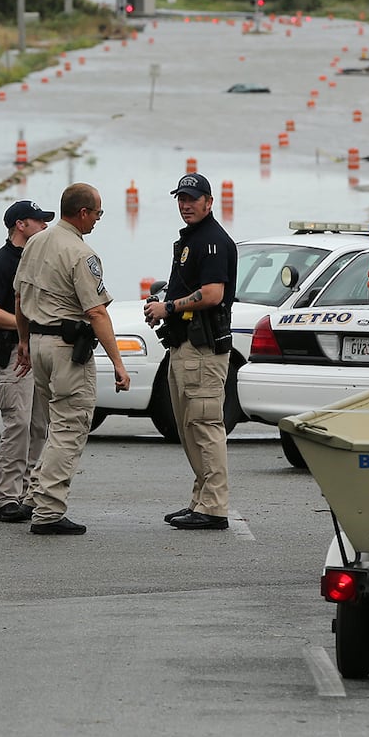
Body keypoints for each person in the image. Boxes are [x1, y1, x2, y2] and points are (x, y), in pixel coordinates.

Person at [13, 182, 130, 535]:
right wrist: (119, 364)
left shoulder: (35, 242)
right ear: (83, 213)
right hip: (67, 350)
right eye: (97, 213)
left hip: (38, 342)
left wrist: (23, 341)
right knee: (71, 427)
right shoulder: (81, 253)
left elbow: (19, 297)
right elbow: (96, 312)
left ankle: (35, 496)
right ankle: (48, 511)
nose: (97, 220)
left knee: (54, 425)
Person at [144, 173, 238, 531]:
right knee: (189, 427)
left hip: (202, 350)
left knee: (204, 425)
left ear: (209, 202)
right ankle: (202, 500)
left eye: (193, 198)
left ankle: (214, 508)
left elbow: (212, 294)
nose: (186, 204)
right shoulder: (193, 239)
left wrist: (168, 308)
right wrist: (164, 303)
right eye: (181, 198)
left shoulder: (212, 241)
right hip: (184, 345)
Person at [0, 199, 54, 523]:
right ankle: (6, 498)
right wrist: (26, 324)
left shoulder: (39, 260)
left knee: (40, 425)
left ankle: (30, 493)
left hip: (38, 352)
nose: (45, 226)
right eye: (39, 221)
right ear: (21, 225)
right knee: (18, 424)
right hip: (12, 354)